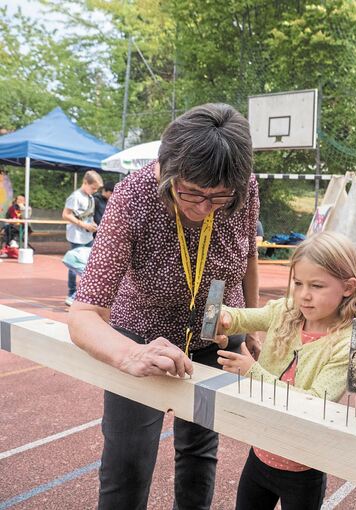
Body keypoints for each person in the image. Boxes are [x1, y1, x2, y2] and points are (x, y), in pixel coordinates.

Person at [67, 103, 261, 510]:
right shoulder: (133, 197)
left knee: (199, 454)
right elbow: (84, 314)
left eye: (219, 198)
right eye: (192, 193)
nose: (205, 208)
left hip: (213, 331)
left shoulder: (242, 186)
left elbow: (248, 260)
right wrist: (131, 354)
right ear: (167, 171)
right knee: (127, 465)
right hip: (140, 334)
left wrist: (253, 321)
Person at [213, 231, 356, 510]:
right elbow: (242, 317)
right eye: (298, 283)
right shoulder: (288, 311)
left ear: (348, 287)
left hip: (303, 469)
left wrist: (252, 372)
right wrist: (223, 317)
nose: (304, 295)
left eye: (317, 286)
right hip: (260, 455)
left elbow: (314, 402)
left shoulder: (352, 342)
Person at [62, 170, 103, 305]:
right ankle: (72, 292)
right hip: (77, 236)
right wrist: (82, 224)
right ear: (85, 183)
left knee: (88, 264)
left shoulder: (90, 197)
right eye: (93, 188)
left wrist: (92, 225)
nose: (95, 191)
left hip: (87, 235)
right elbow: (66, 215)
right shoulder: (75, 197)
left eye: (96, 189)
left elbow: (89, 215)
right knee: (75, 264)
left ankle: (81, 292)